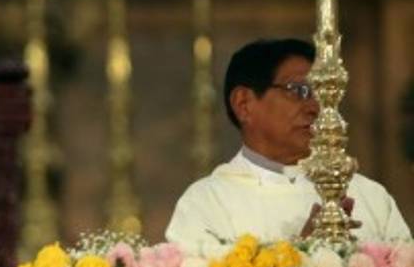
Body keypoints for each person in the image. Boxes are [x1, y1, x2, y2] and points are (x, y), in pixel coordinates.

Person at [166, 38, 410, 254]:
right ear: (244, 104)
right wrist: (303, 253)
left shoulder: (369, 196)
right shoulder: (206, 204)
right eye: (299, 90)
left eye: (322, 94)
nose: (316, 107)